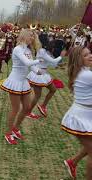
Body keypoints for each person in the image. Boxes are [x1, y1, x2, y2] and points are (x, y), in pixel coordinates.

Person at [0, 29, 42, 145]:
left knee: (27, 108)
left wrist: (39, 71)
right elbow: (27, 63)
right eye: (31, 36)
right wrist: (39, 60)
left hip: (23, 82)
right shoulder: (17, 49)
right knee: (15, 108)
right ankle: (8, 134)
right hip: (15, 82)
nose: (32, 38)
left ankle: (15, 128)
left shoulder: (28, 50)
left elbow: (31, 66)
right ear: (24, 36)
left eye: (33, 36)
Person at [62, 46, 92, 180]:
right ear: (79, 60)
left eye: (90, 53)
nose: (90, 56)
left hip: (87, 115)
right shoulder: (86, 74)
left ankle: (72, 162)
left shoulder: (84, 71)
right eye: (86, 55)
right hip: (80, 118)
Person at [27, 33, 66, 119]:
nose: (50, 40)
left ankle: (43, 106)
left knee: (53, 89)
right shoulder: (41, 51)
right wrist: (61, 57)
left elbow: (51, 64)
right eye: (48, 38)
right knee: (38, 95)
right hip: (38, 74)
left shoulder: (45, 51)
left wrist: (59, 64)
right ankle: (28, 112)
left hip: (43, 74)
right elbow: (52, 61)